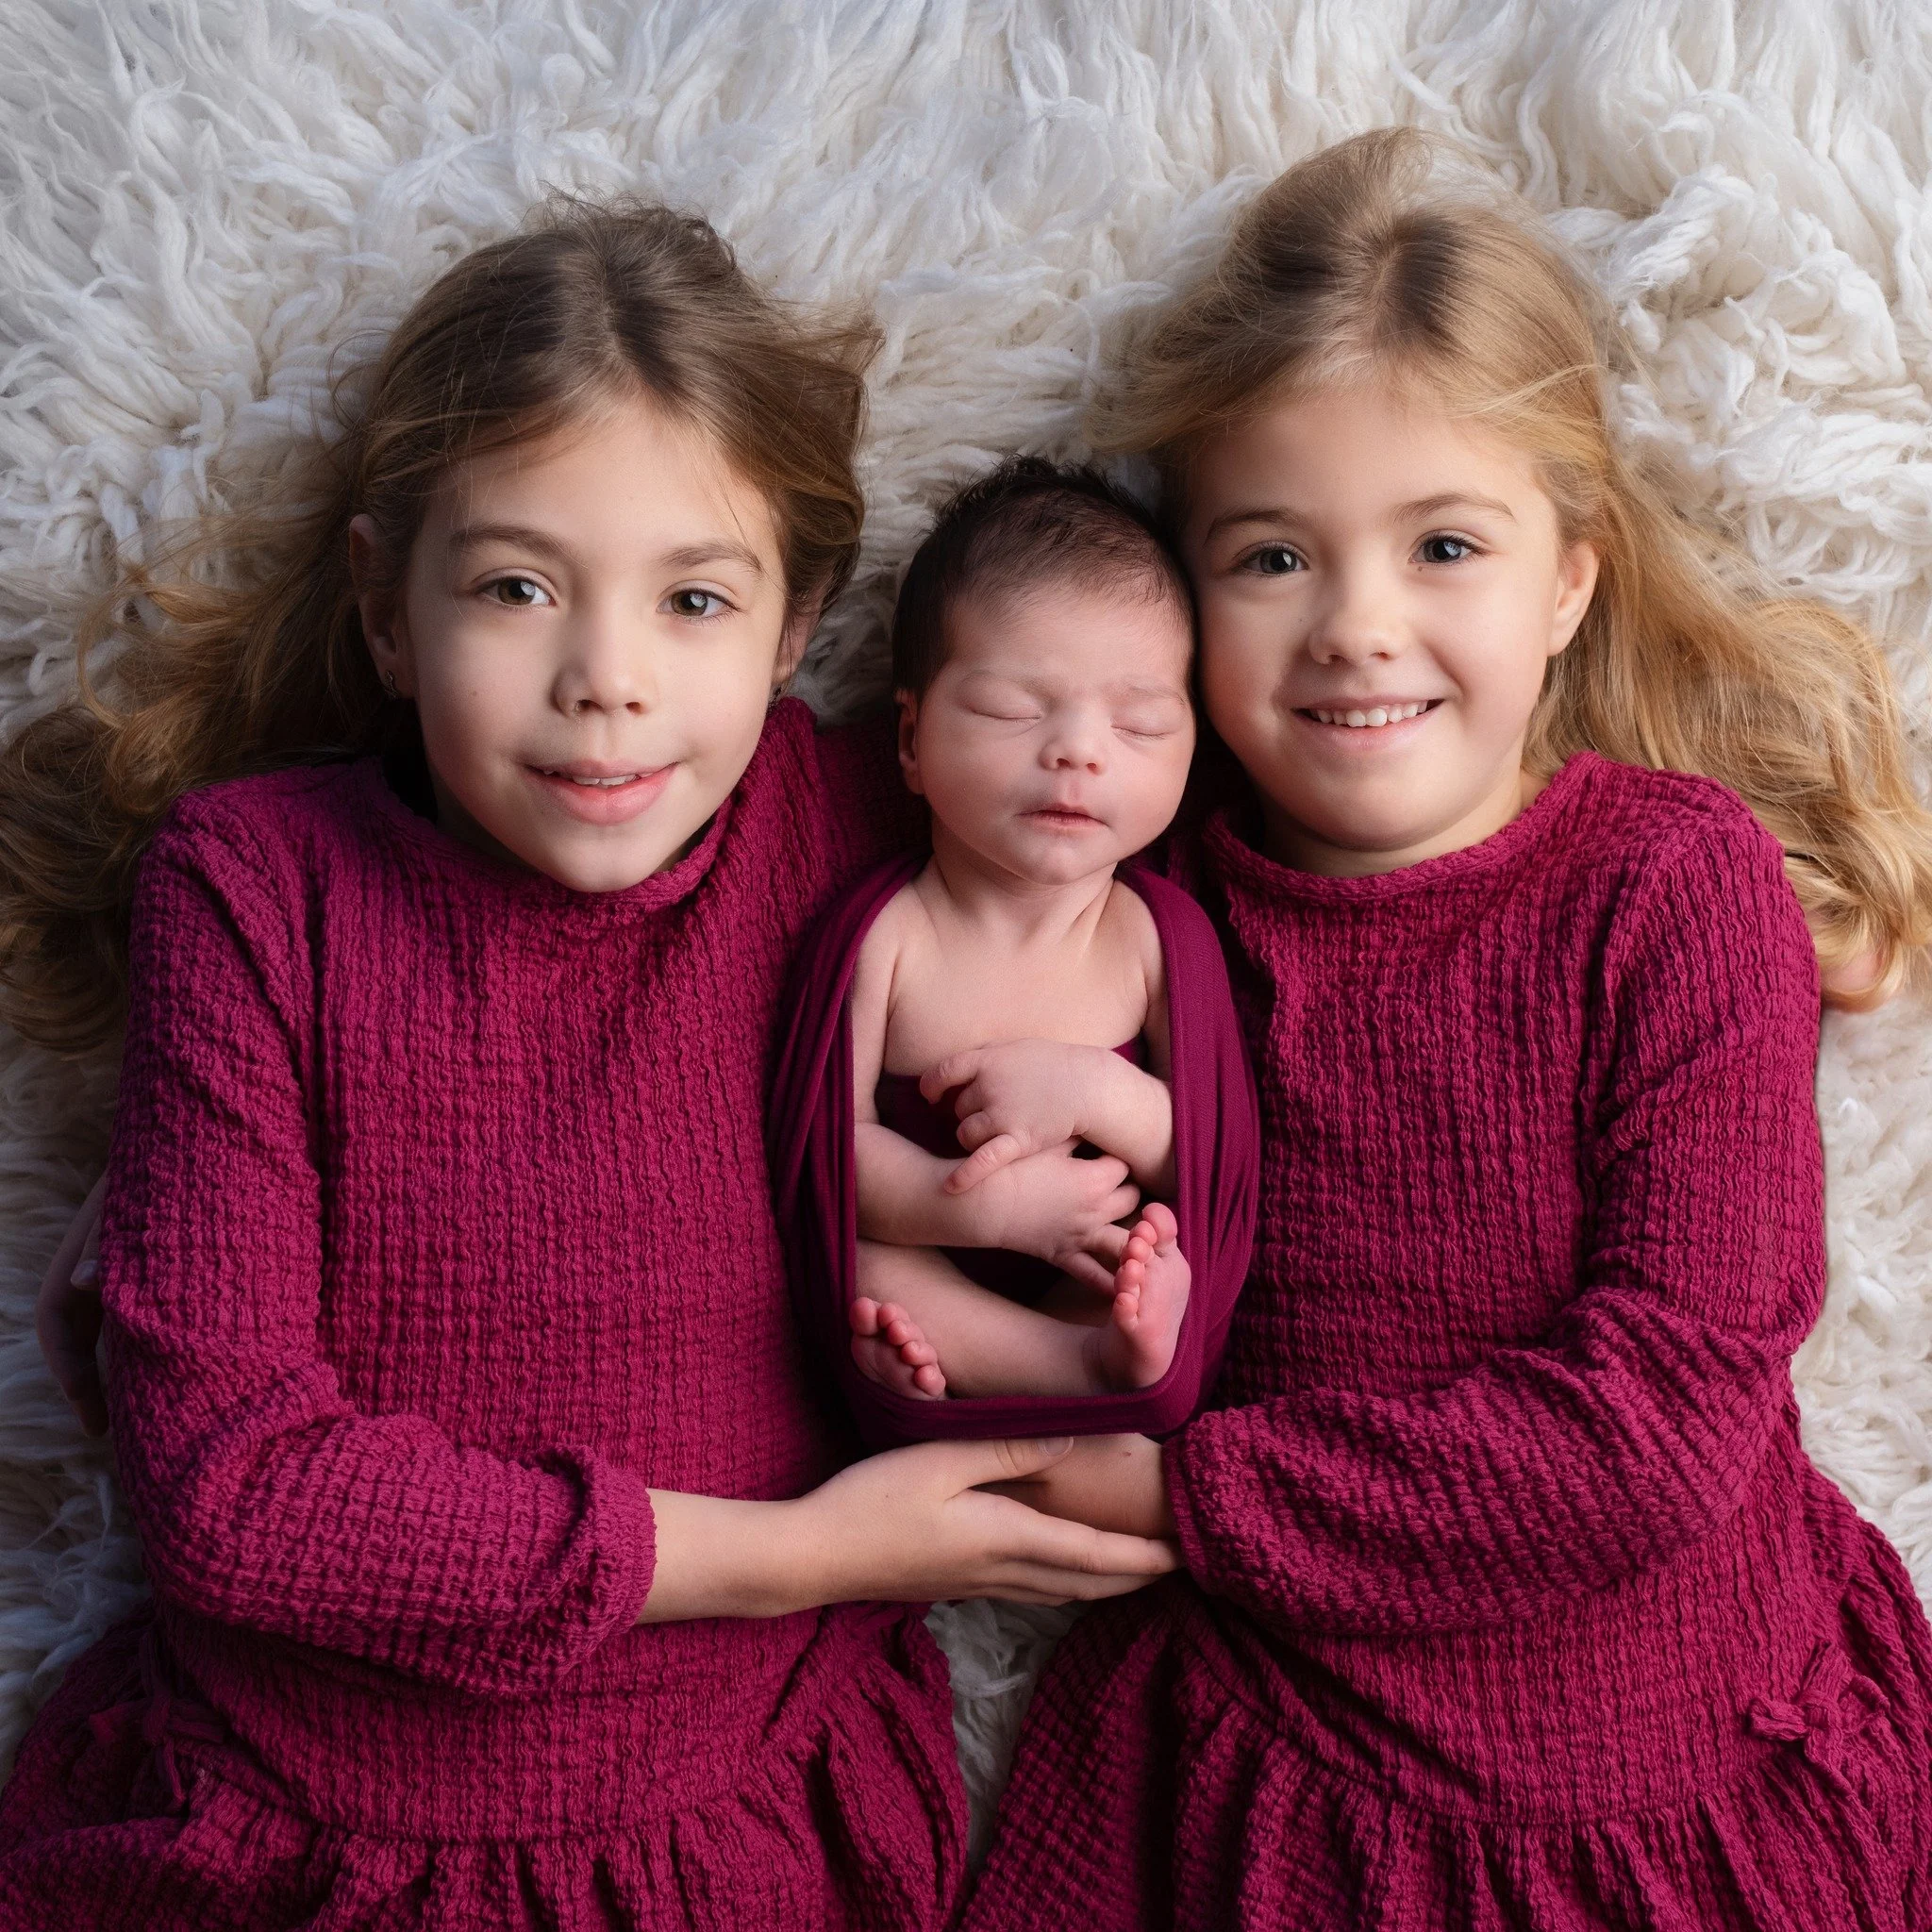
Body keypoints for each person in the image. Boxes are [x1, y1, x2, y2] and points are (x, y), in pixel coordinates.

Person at [0, 198, 1176, 1932]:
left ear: (794, 627)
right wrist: (806, 1554)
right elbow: (235, 1497)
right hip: (301, 1824)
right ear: (386, 609)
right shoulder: (255, 888)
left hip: (744, 1822)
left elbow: (1182, 837)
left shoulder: (855, 819)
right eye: (515, 588)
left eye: (694, 599)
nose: (606, 681)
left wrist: (1118, 1139)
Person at [962, 128, 1932, 1928]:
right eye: (1271, 555)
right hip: (1281, 1762)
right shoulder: (1134, 902)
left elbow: (1660, 1423)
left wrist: (1187, 1499)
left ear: (1565, 578)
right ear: (1179, 602)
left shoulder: (1666, 886)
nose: (1358, 626)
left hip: (1659, 1764)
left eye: (1443, 545)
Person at [770, 460, 1259, 1447]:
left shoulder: (1153, 939)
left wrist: (1099, 1097)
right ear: (911, 740)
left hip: (1096, 1266)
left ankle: (1109, 1347)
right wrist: (976, 1211)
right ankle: (1070, 1367)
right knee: (867, 1268)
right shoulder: (889, 936)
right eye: (1011, 709)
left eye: (1138, 723)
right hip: (934, 1250)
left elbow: (1218, 1162)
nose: (1079, 749)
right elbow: (826, 1151)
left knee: (1161, 1253)